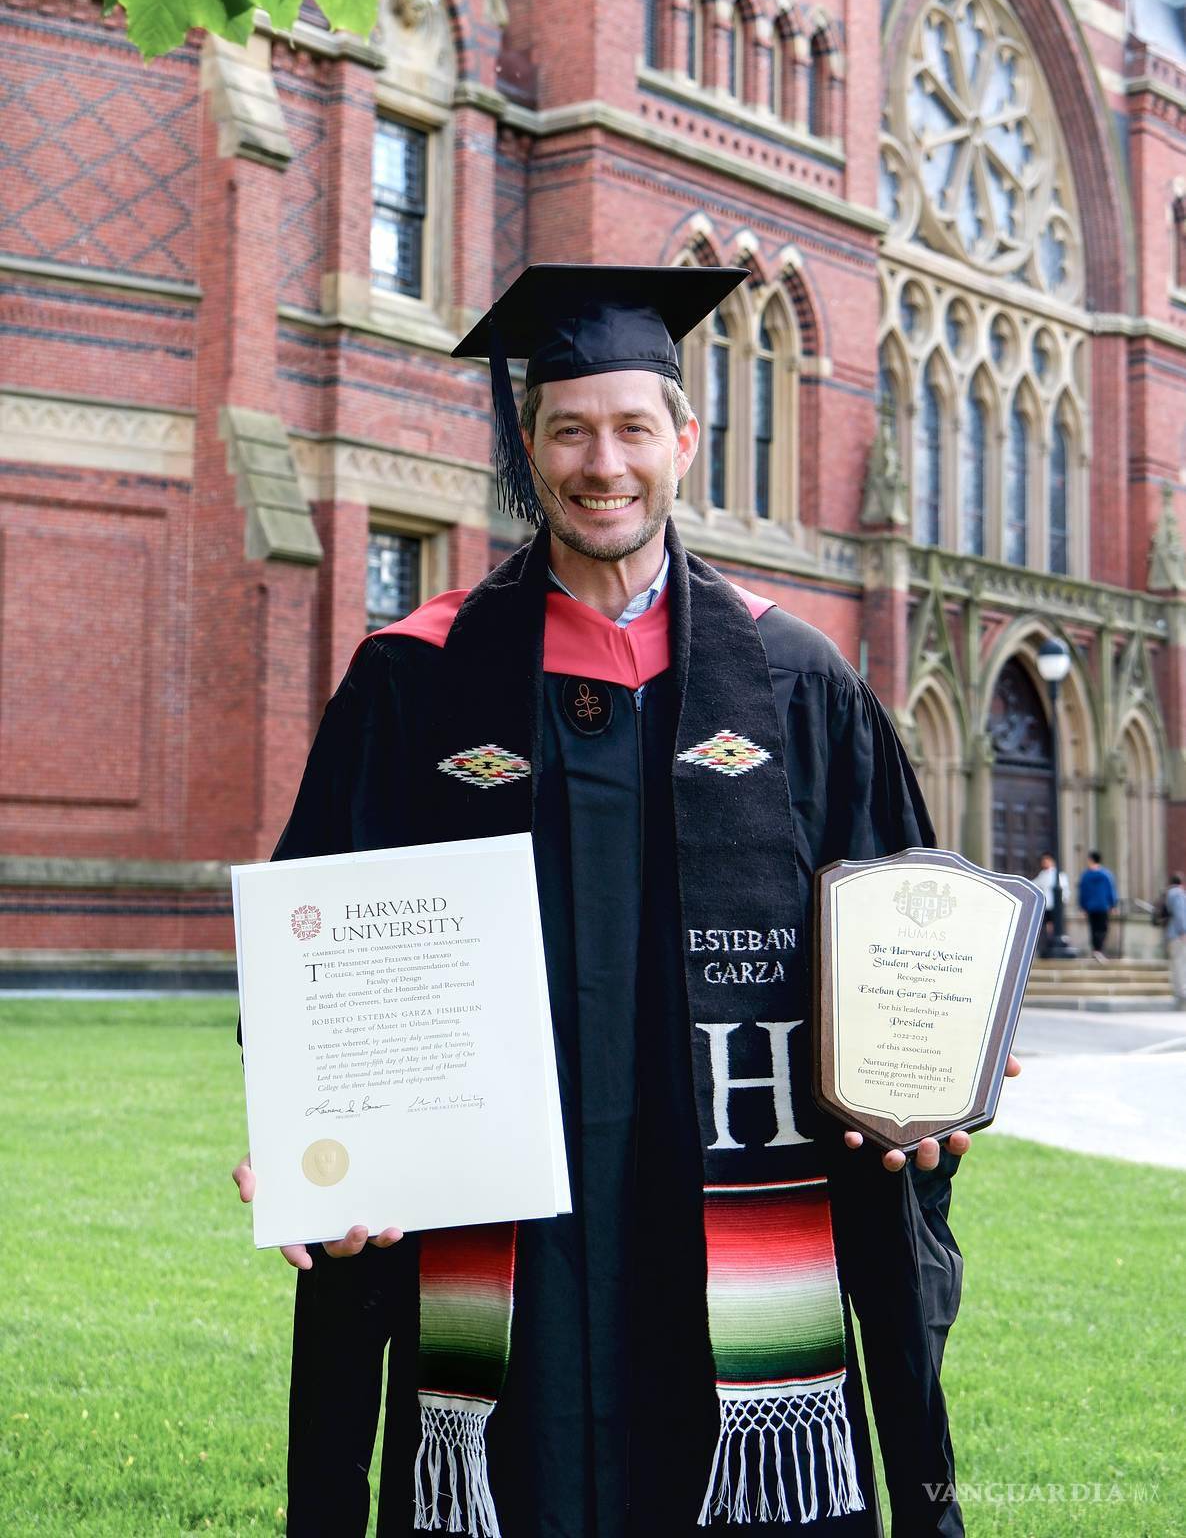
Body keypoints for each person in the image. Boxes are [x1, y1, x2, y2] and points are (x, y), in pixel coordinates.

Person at [234, 266, 1018, 1538]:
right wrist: (312, 1137)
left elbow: (897, 928)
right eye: (568, 431)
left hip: (725, 1234)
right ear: (527, 448)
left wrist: (937, 1069)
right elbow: (317, 947)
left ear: (684, 440)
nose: (603, 465)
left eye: (632, 429)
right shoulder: (417, 682)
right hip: (504, 1239)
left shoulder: (793, 681)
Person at [1077, 850, 1118, 964]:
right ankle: (1098, 950)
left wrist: (1082, 906)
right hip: (1103, 906)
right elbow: (1111, 890)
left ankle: (1096, 950)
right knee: (1102, 929)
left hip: (1091, 907)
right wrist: (1113, 904)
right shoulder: (1106, 875)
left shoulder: (1086, 875)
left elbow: (1082, 892)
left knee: (1094, 929)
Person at [1033, 851, 1071, 955]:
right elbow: (1035, 884)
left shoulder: (1059, 875)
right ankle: (1047, 943)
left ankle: (1054, 942)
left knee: (1054, 925)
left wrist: (1062, 901)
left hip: (1055, 905)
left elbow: (1065, 890)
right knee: (1046, 925)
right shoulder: (1043, 874)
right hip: (1046, 905)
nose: (1044, 863)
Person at [1163, 873, 1186, 1007]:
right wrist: (1183, 931)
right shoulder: (1178, 894)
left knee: (1175, 964)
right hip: (1178, 935)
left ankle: (1178, 992)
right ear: (1181, 883)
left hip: (1170, 934)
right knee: (1181, 964)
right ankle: (1182, 994)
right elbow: (1180, 913)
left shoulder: (1168, 894)